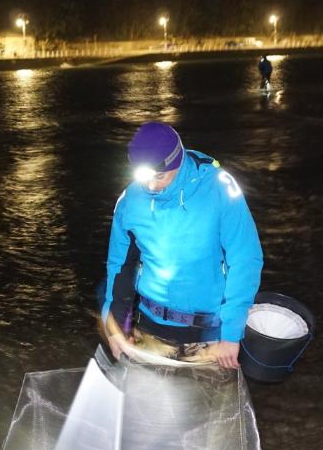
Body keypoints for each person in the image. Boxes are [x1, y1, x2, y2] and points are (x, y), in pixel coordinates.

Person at [101, 122, 263, 370]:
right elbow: (121, 265)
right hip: (150, 331)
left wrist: (232, 333)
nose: (151, 186)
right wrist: (115, 326)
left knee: (211, 409)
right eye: (144, 177)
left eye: (160, 176)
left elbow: (245, 259)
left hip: (209, 337)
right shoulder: (130, 201)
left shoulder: (220, 189)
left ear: (176, 162)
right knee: (146, 407)